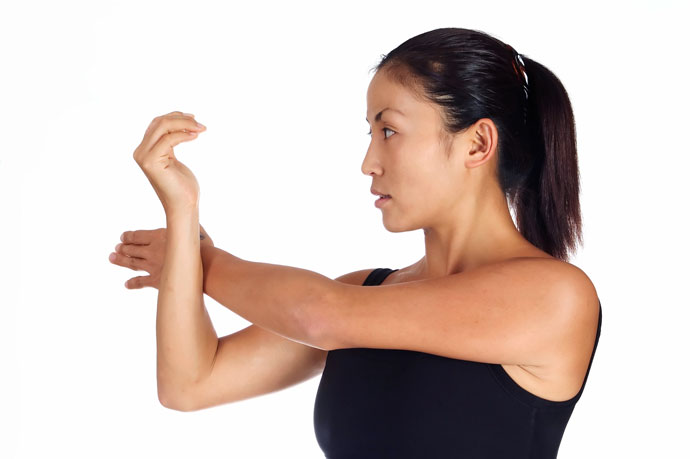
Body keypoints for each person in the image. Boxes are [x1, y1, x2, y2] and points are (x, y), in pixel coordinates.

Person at [108, 27, 602, 458]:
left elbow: (319, 316)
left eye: (389, 130)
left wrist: (203, 261)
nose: (368, 162)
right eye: (370, 132)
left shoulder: (554, 296)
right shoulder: (366, 293)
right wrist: (183, 212)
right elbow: (190, 383)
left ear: (476, 144)